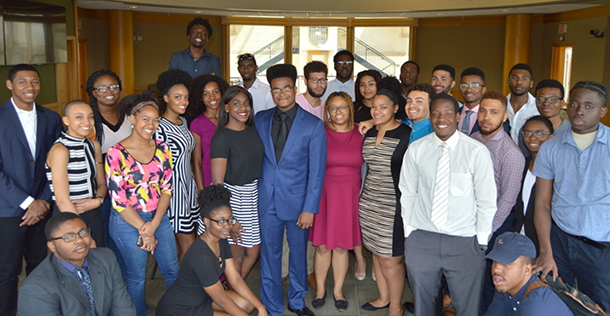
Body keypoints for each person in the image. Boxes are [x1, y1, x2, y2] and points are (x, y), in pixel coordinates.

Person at [400, 94, 497, 316]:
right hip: (422, 238)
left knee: (466, 307)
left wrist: (480, 241)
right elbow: (407, 192)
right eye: (435, 113)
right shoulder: (417, 149)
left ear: (457, 116)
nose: (441, 118)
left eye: (447, 113)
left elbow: (486, 200)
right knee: (423, 306)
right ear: (430, 117)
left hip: (464, 241)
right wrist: (410, 232)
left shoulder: (476, 152)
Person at [255, 64, 326, 316]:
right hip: (266, 200)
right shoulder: (260, 119)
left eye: (286, 88)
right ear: (271, 92)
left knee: (298, 256)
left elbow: (317, 172)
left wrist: (310, 208)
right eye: (276, 89)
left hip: (298, 204)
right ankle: (272, 306)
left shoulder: (314, 125)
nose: (281, 93)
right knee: (269, 256)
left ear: (295, 89)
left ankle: (297, 301)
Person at [533, 81, 610, 310]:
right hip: (560, 241)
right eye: (575, 104)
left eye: (589, 106)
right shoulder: (551, 147)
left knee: (599, 308)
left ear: (602, 111)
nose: (580, 111)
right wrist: (546, 252)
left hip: (601, 246)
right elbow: (542, 202)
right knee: (558, 305)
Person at [105, 91, 180, 316]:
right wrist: (144, 230)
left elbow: (167, 188)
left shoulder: (163, 148)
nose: (151, 124)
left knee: (172, 270)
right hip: (127, 221)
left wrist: (155, 223)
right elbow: (118, 200)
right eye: (145, 118)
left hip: (158, 217)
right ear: (132, 118)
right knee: (136, 277)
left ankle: (176, 311)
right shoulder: (115, 153)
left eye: (155, 119)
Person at [0, 64, 62, 316]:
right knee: (7, 271)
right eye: (23, 82)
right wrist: (28, 202)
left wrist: (43, 201)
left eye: (34, 82)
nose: (30, 87)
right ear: (10, 85)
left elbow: (57, 162)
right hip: (9, 209)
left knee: (40, 265)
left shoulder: (51, 118)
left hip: (43, 207)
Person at [156, 185, 268, 316]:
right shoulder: (201, 255)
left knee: (247, 305)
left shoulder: (221, 239)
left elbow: (235, 279)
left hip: (204, 298)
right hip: (179, 310)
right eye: (220, 221)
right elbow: (222, 301)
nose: (227, 226)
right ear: (206, 222)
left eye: (229, 219)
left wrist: (261, 307)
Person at [18, 212, 136, 315]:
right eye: (69, 237)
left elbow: (123, 308)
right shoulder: (36, 289)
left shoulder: (106, 258)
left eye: (83, 232)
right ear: (52, 246)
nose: (79, 240)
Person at [309, 92, 364, 312]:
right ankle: (320, 289)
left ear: (350, 109)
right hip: (324, 193)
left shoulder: (361, 132)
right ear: (327, 111)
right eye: (333, 107)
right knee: (322, 247)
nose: (338, 112)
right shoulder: (318, 131)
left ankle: (338, 291)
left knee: (341, 246)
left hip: (349, 195)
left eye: (343, 107)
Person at [470, 91, 525, 310]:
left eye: (494, 112)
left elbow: (507, 200)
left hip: (492, 227)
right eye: (483, 111)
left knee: (487, 282)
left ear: (504, 117)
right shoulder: (472, 140)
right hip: (467, 220)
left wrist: (485, 233)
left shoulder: (510, 153)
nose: (486, 117)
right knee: (470, 278)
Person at [359, 89, 411, 316]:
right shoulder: (369, 131)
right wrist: (371, 121)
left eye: (383, 106)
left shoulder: (407, 133)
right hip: (369, 203)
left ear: (396, 108)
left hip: (394, 206)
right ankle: (383, 297)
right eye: (374, 106)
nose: (377, 111)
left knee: (391, 261)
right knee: (377, 255)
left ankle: (396, 306)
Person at [210, 86, 264, 280]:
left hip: (252, 196)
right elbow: (217, 184)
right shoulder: (222, 137)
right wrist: (229, 219)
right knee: (236, 254)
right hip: (233, 198)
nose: (243, 108)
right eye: (236, 103)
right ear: (226, 108)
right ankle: (235, 298)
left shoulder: (252, 131)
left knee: (253, 251)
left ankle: (234, 291)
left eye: (247, 103)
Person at [85, 69, 129, 275]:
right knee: (106, 240)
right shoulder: (88, 122)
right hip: (102, 191)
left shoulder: (131, 115)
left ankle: (128, 290)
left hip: (131, 189)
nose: (109, 91)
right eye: (101, 88)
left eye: (113, 86)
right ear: (93, 93)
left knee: (127, 240)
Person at [45, 100, 107, 246]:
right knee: (75, 259)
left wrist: (97, 200)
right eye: (79, 117)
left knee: (98, 259)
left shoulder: (94, 145)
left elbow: (102, 183)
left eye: (90, 117)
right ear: (66, 120)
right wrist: (83, 234)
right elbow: (62, 200)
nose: (86, 121)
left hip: (93, 210)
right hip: (68, 214)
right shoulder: (60, 150)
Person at [154, 69, 200, 263]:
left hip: (188, 188)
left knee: (192, 244)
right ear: (166, 98)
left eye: (186, 97)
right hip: (173, 193)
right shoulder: (159, 127)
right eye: (178, 97)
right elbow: (157, 167)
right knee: (187, 247)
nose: (184, 101)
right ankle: (182, 290)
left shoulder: (183, 122)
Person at [484, 232, 574, 316]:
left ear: (527, 269)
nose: (496, 269)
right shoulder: (506, 285)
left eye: (507, 264)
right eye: (495, 261)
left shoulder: (536, 305)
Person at [511, 116, 555, 253]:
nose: (532, 138)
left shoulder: (557, 169)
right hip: (520, 234)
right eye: (527, 133)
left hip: (546, 241)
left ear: (551, 137)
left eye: (540, 133)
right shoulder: (522, 163)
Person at [188, 74, 229, 194]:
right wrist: (201, 191)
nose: (212, 97)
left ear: (222, 93)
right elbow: (197, 161)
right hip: (209, 177)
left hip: (232, 177)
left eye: (215, 92)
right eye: (206, 94)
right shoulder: (197, 123)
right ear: (200, 97)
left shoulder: (231, 117)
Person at [517, 79, 570, 154]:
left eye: (553, 99)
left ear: (562, 103)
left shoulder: (571, 131)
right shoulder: (527, 131)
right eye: (541, 99)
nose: (546, 103)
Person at [459, 67, 510, 136]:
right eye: (464, 85)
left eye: (475, 85)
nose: (469, 89)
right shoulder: (454, 113)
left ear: (483, 89)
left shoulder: (499, 118)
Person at [506, 63, 539, 145]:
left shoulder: (538, 107)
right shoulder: (500, 105)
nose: (519, 82)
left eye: (524, 79)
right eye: (515, 78)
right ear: (508, 81)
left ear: (531, 83)